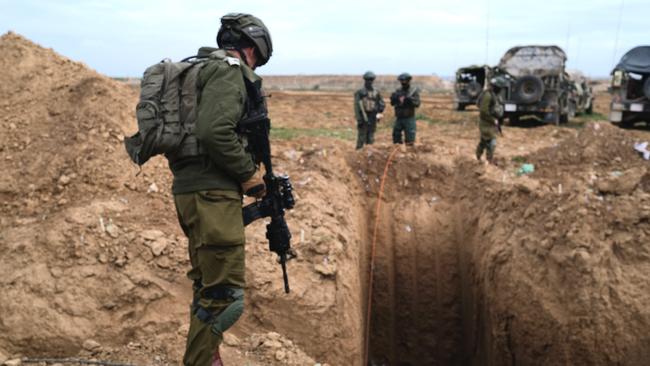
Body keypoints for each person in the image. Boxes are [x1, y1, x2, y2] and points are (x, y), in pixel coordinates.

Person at [171, 13, 273, 366]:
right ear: (251, 48)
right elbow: (215, 131)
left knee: (208, 290)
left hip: (191, 191)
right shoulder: (228, 71)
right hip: (212, 194)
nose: (256, 63)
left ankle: (208, 358)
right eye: (257, 58)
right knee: (226, 298)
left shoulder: (199, 70)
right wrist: (249, 175)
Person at [476, 76, 507, 165]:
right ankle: (488, 160)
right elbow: (483, 111)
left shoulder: (495, 95)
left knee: (484, 141)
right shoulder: (488, 95)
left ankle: (479, 156)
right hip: (486, 122)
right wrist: (493, 119)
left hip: (491, 122)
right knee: (491, 142)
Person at [354, 71, 385, 149]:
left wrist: (379, 112)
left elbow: (381, 103)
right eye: (368, 80)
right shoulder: (360, 92)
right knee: (361, 137)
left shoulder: (376, 92)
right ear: (365, 80)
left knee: (371, 136)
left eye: (371, 80)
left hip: (373, 116)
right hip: (363, 116)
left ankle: (369, 153)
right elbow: (356, 106)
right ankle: (359, 153)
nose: (369, 82)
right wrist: (359, 119)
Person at [390, 73, 420, 145]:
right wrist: (394, 98)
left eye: (405, 81)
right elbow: (392, 103)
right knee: (396, 136)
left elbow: (417, 104)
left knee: (410, 139)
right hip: (399, 118)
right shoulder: (398, 91)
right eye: (401, 81)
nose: (403, 82)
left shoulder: (413, 92)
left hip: (409, 118)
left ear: (408, 81)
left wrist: (410, 100)